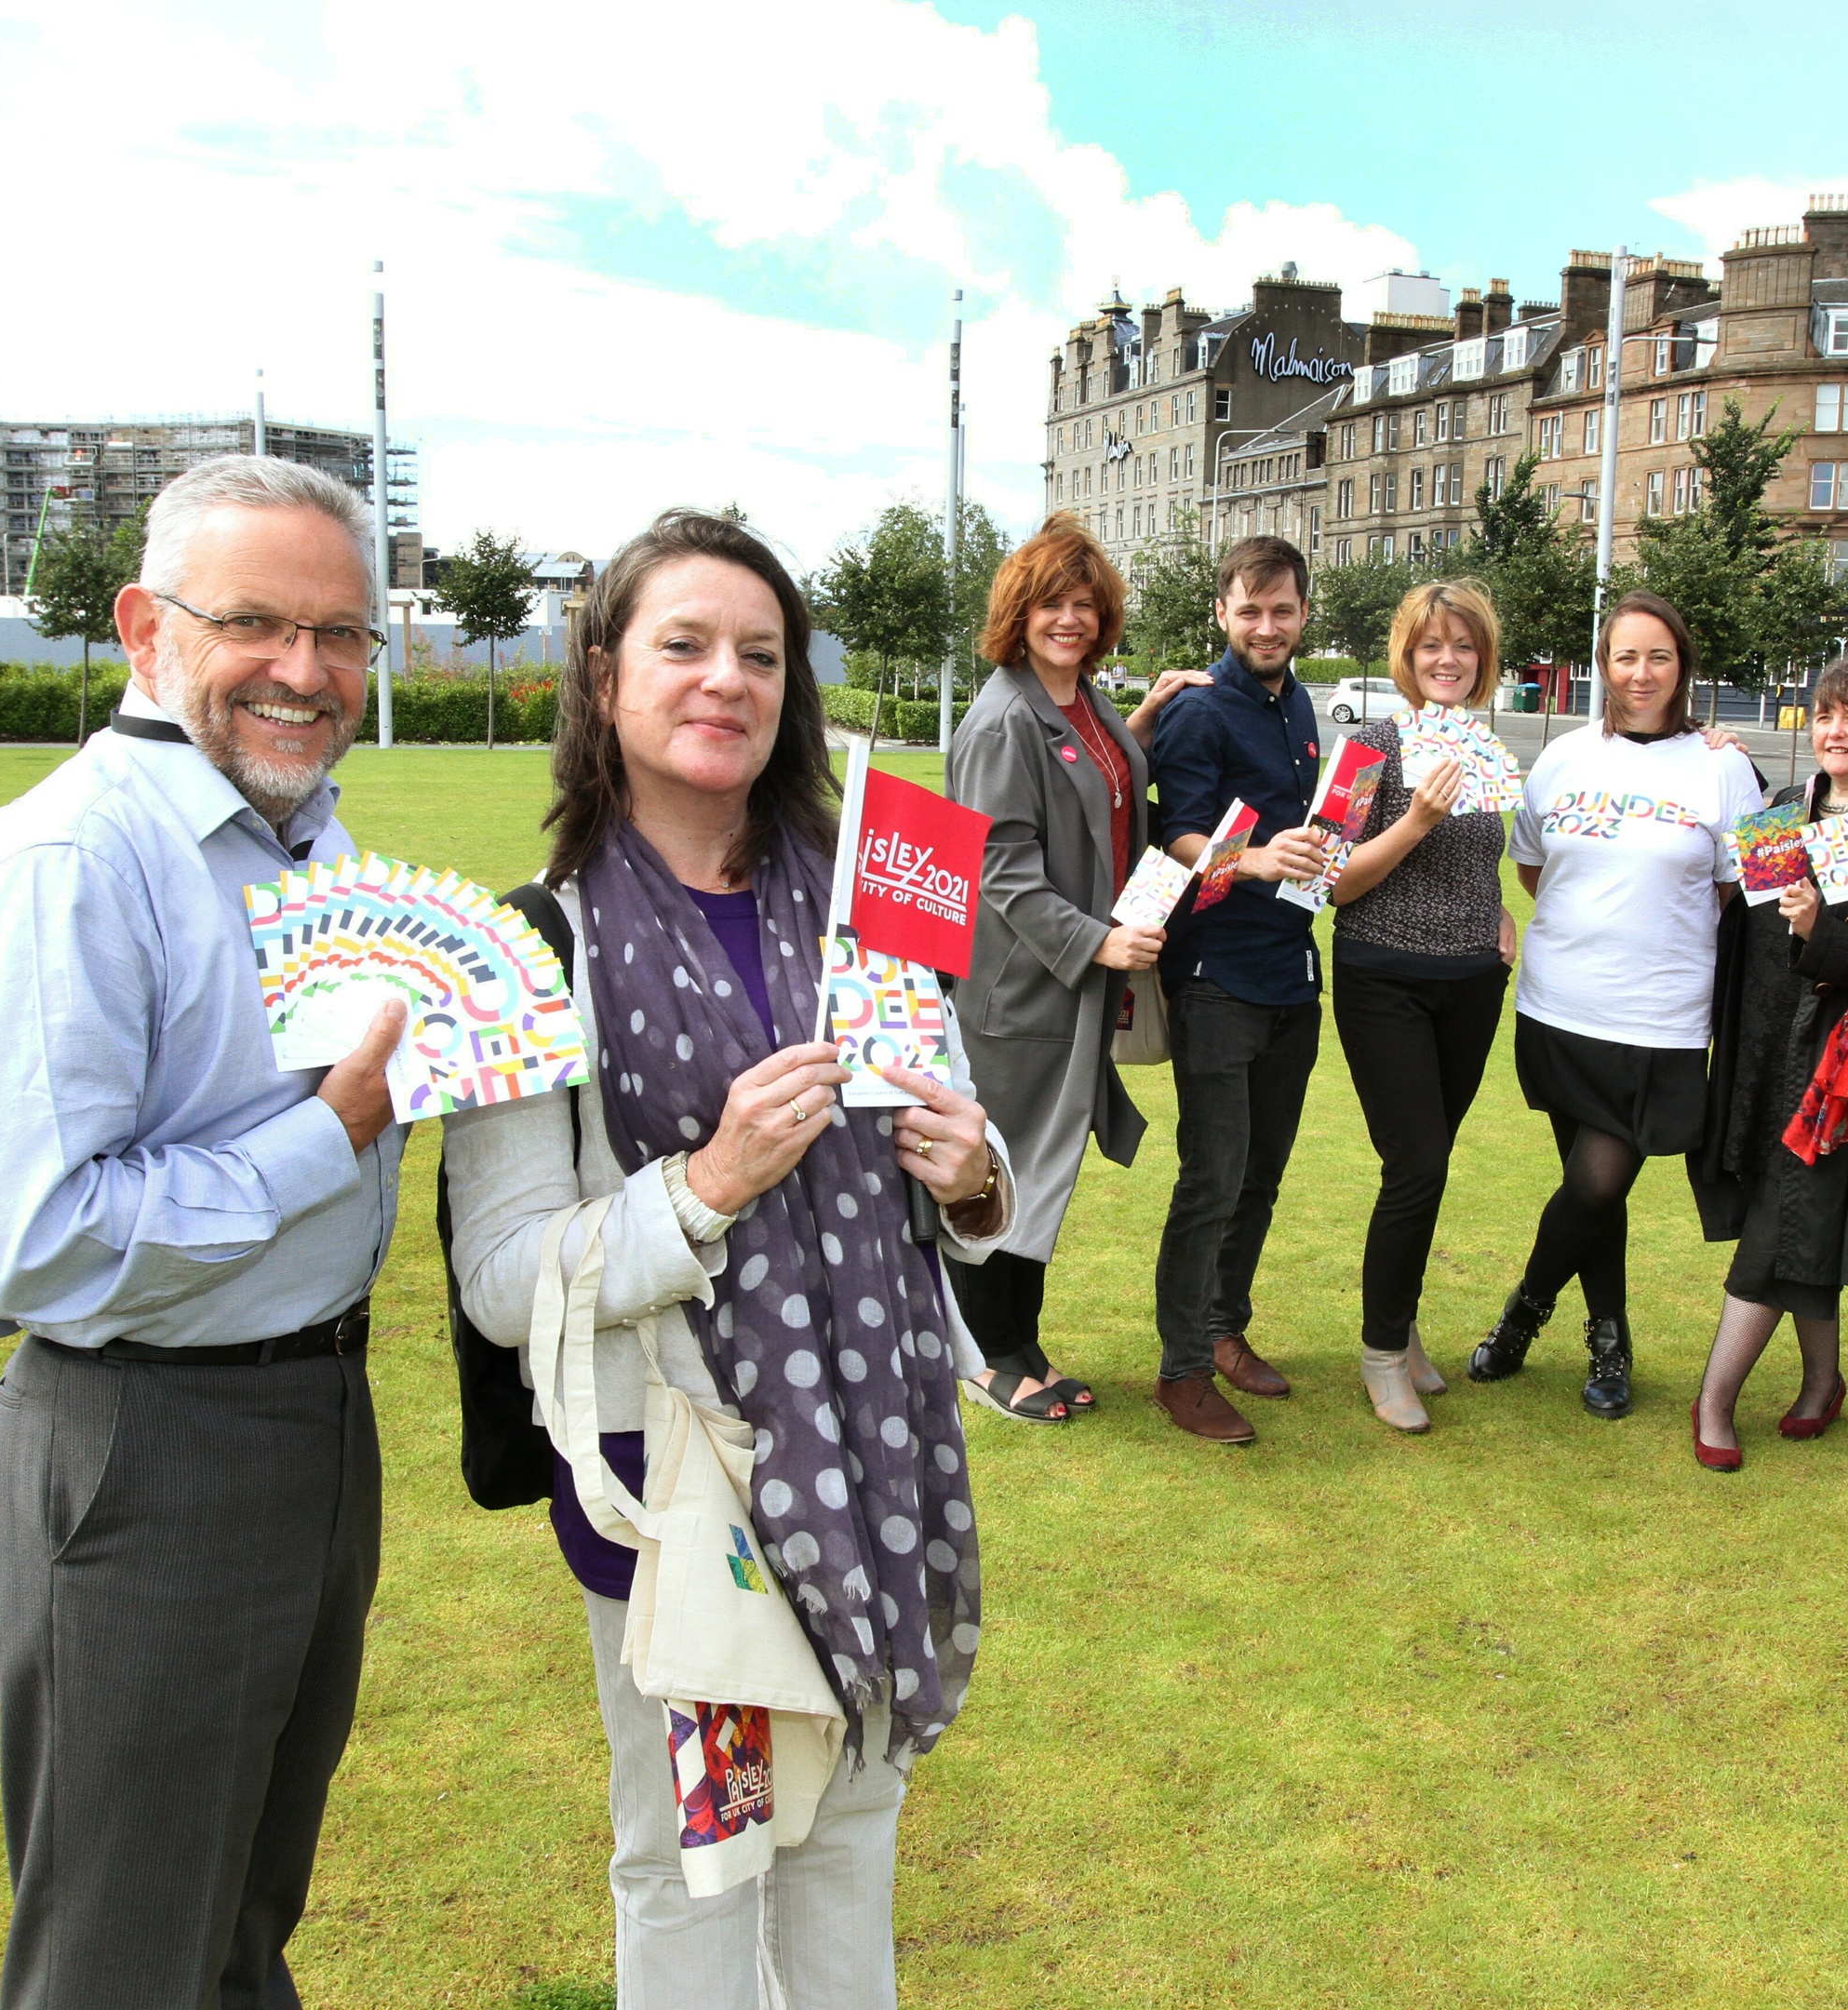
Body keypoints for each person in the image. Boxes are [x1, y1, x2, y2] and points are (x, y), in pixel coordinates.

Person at [443, 509, 1014, 2005]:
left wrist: (974, 1179)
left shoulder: (877, 900)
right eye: (683, 645)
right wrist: (702, 1188)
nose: (726, 680)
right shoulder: (535, 947)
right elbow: (505, 1278)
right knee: (702, 1861)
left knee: (852, 1836)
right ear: (604, 678)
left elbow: (956, 1136)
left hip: (880, 1451)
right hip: (684, 1490)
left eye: (760, 654)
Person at [0, 454, 408, 2009]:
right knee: (123, 1956)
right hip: (150, 1444)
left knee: (241, 1918)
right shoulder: (66, 862)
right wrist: (324, 1134)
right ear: (144, 625)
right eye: (253, 621)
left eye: (341, 636)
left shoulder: (307, 838)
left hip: (312, 1417)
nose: (304, 671)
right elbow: (35, 1241)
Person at [1471, 590, 1765, 1418]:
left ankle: (1525, 1312)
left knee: (1598, 1185)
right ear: (1603, 666)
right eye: (1625, 657)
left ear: (1683, 667)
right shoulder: (1566, 758)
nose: (1641, 673)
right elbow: (1534, 870)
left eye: (1658, 656)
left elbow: (1742, 890)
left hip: (1661, 1019)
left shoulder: (1720, 766)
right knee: (1590, 1186)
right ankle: (1610, 1340)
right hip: (1560, 1007)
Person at [944, 514, 1205, 1422]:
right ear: (1021, 610)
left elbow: (1100, 792)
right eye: (1053, 603)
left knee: (1041, 1175)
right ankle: (988, 1358)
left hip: (1074, 991)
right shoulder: (1003, 720)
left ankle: (1025, 1346)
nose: (1072, 620)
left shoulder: (1083, 705)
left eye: (1086, 606)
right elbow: (1000, 865)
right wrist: (1099, 941)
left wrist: (1149, 716)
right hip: (1019, 990)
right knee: (999, 1175)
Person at [1683, 651, 1848, 1469]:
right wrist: (1718, 749)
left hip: (1847, 1062)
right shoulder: (1789, 805)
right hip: (1770, 1048)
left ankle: (1715, 1401)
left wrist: (1815, 933)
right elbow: (1752, 916)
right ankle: (1823, 1381)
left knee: (1781, 1221)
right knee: (1794, 1206)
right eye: (1825, 714)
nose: (1836, 730)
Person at [1145, 535, 1334, 1443]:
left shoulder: (1298, 701)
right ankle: (1180, 1373)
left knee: (1260, 1176)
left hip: (1294, 974)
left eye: (1282, 609)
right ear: (1221, 612)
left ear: (1303, 614)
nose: (1267, 625)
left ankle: (1224, 1330)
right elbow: (1177, 833)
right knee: (1212, 1179)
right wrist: (1253, 859)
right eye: (1250, 610)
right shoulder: (1200, 709)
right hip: (1216, 977)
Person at [1327, 578, 1517, 1432]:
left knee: (1432, 1160)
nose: (1448, 660)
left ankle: (1401, 1334)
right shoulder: (1371, 745)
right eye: (1432, 645)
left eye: (1464, 646)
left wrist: (1499, 910)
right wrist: (1414, 821)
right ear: (1406, 656)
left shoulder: (1485, 743)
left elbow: (1485, 862)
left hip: (1472, 979)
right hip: (1385, 975)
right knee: (1417, 1165)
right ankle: (1378, 1354)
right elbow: (1333, 883)